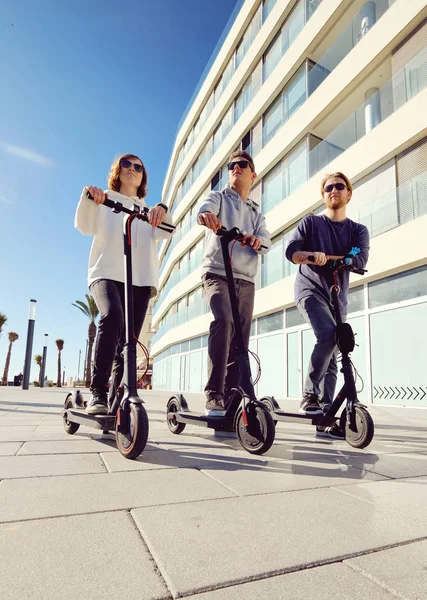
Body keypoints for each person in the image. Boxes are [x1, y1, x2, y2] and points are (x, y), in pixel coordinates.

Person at [75, 154, 174, 415]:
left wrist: (162, 208)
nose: (132, 169)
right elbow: (84, 226)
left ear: (143, 176)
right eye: (126, 165)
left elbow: (167, 230)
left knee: (128, 341)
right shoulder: (103, 199)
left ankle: (117, 395)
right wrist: (89, 198)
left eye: (138, 166)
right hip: (105, 273)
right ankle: (97, 391)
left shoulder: (148, 210)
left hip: (140, 281)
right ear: (117, 172)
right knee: (112, 315)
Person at [286, 172, 369, 438]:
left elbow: (356, 258)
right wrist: (310, 255)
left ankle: (326, 415)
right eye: (328, 187)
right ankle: (310, 394)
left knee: (335, 353)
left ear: (348, 193)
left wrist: (331, 257)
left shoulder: (357, 232)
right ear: (324, 195)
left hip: (337, 298)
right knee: (327, 335)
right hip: (309, 291)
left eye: (339, 186)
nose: (334, 190)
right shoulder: (310, 224)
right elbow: (293, 252)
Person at [198, 150, 271, 414]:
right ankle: (214, 393)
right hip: (216, 273)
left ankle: (232, 397)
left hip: (245, 280)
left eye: (242, 165)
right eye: (231, 166)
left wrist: (256, 240)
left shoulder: (256, 212)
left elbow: (267, 240)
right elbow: (204, 210)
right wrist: (207, 217)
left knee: (241, 340)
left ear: (253, 175)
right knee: (223, 321)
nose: (235, 168)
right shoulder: (218, 197)